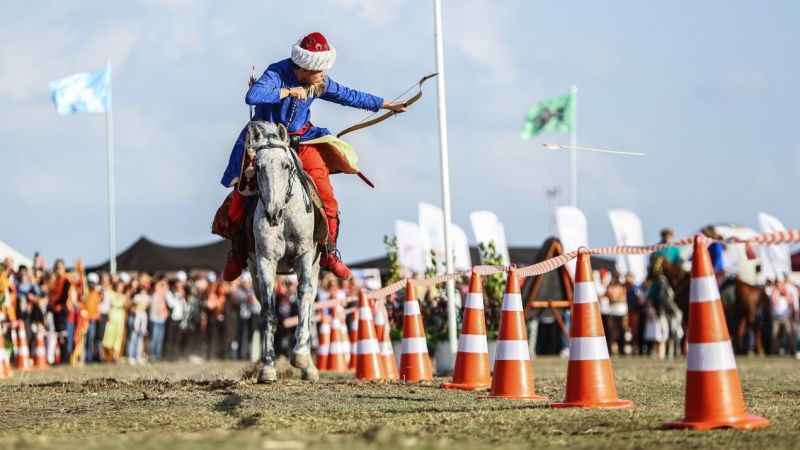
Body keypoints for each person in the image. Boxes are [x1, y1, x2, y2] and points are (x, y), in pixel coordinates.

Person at [217, 32, 407, 282]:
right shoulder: (276, 72)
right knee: (243, 193)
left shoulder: (319, 83)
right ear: (305, 68)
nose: (324, 74)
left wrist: (386, 104)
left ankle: (330, 252)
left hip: (302, 141)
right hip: (266, 142)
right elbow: (252, 96)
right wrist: (288, 92)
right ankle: (238, 253)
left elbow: (349, 95)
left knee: (326, 195)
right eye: (320, 70)